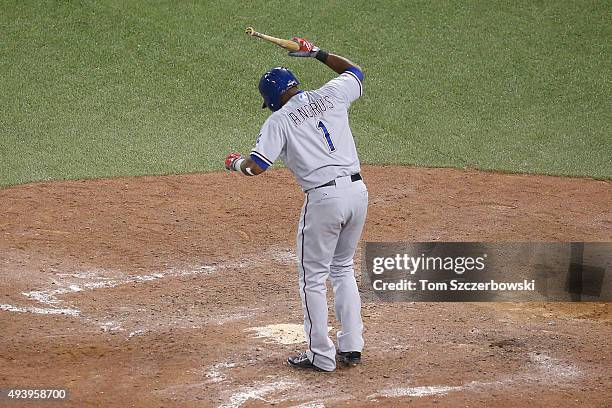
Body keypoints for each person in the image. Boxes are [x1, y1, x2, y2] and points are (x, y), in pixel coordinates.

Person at [224, 36, 367, 372]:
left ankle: (321, 354)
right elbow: (355, 72)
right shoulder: (331, 94)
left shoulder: (279, 121)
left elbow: (256, 166)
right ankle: (352, 345)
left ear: (272, 100)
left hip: (324, 199)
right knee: (343, 267)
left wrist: (234, 162)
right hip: (358, 193)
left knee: (312, 278)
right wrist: (316, 53)